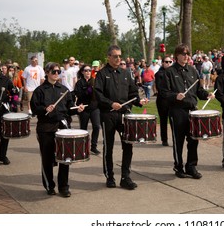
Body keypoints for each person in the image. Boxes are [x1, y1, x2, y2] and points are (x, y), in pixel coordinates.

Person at [94, 45, 148, 190]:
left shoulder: (125, 73)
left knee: (128, 145)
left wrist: (139, 101)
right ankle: (109, 176)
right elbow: (98, 95)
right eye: (115, 56)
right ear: (109, 57)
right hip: (108, 115)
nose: (118, 58)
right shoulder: (102, 74)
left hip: (124, 115)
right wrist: (111, 103)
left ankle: (125, 177)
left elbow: (133, 93)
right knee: (109, 147)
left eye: (120, 56)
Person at [31, 62, 85, 197]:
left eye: (58, 72)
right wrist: (44, 109)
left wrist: (77, 109)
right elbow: (34, 109)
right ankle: (49, 185)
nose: (56, 74)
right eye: (54, 72)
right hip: (46, 128)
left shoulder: (64, 89)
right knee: (47, 159)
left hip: (63, 128)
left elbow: (70, 108)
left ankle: (64, 187)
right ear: (47, 73)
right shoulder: (40, 90)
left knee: (65, 158)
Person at [162, 44, 215, 179]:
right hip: (177, 111)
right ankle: (178, 167)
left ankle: (191, 166)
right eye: (183, 54)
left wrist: (206, 95)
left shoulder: (192, 70)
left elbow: (198, 90)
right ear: (177, 55)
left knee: (193, 140)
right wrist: (175, 96)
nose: (186, 56)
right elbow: (163, 93)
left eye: (187, 54)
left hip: (192, 111)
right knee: (178, 141)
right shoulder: (169, 72)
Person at [74, 64, 101, 155]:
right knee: (83, 128)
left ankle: (93, 146)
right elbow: (79, 95)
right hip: (84, 108)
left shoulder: (95, 81)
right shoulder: (79, 83)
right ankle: (83, 147)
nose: (88, 72)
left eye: (89, 70)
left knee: (97, 126)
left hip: (94, 108)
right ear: (82, 72)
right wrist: (89, 90)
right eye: (86, 70)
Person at [154, 56, 173, 146]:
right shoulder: (159, 74)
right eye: (166, 62)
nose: (168, 63)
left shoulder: (173, 72)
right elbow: (160, 88)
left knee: (174, 120)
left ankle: (175, 138)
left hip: (173, 100)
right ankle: (164, 139)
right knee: (163, 120)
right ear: (162, 63)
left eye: (170, 62)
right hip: (163, 100)